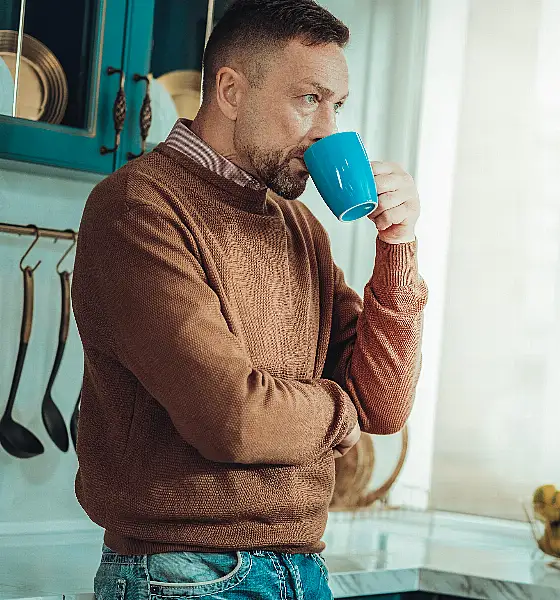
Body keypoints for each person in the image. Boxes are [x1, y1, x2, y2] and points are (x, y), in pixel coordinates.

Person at [71, 1, 427, 598]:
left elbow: (385, 406)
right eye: (308, 99)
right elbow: (234, 421)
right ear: (231, 90)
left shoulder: (300, 227)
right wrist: (345, 415)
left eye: (336, 105)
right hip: (182, 576)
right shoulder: (139, 208)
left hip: (304, 568)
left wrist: (398, 248)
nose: (327, 131)